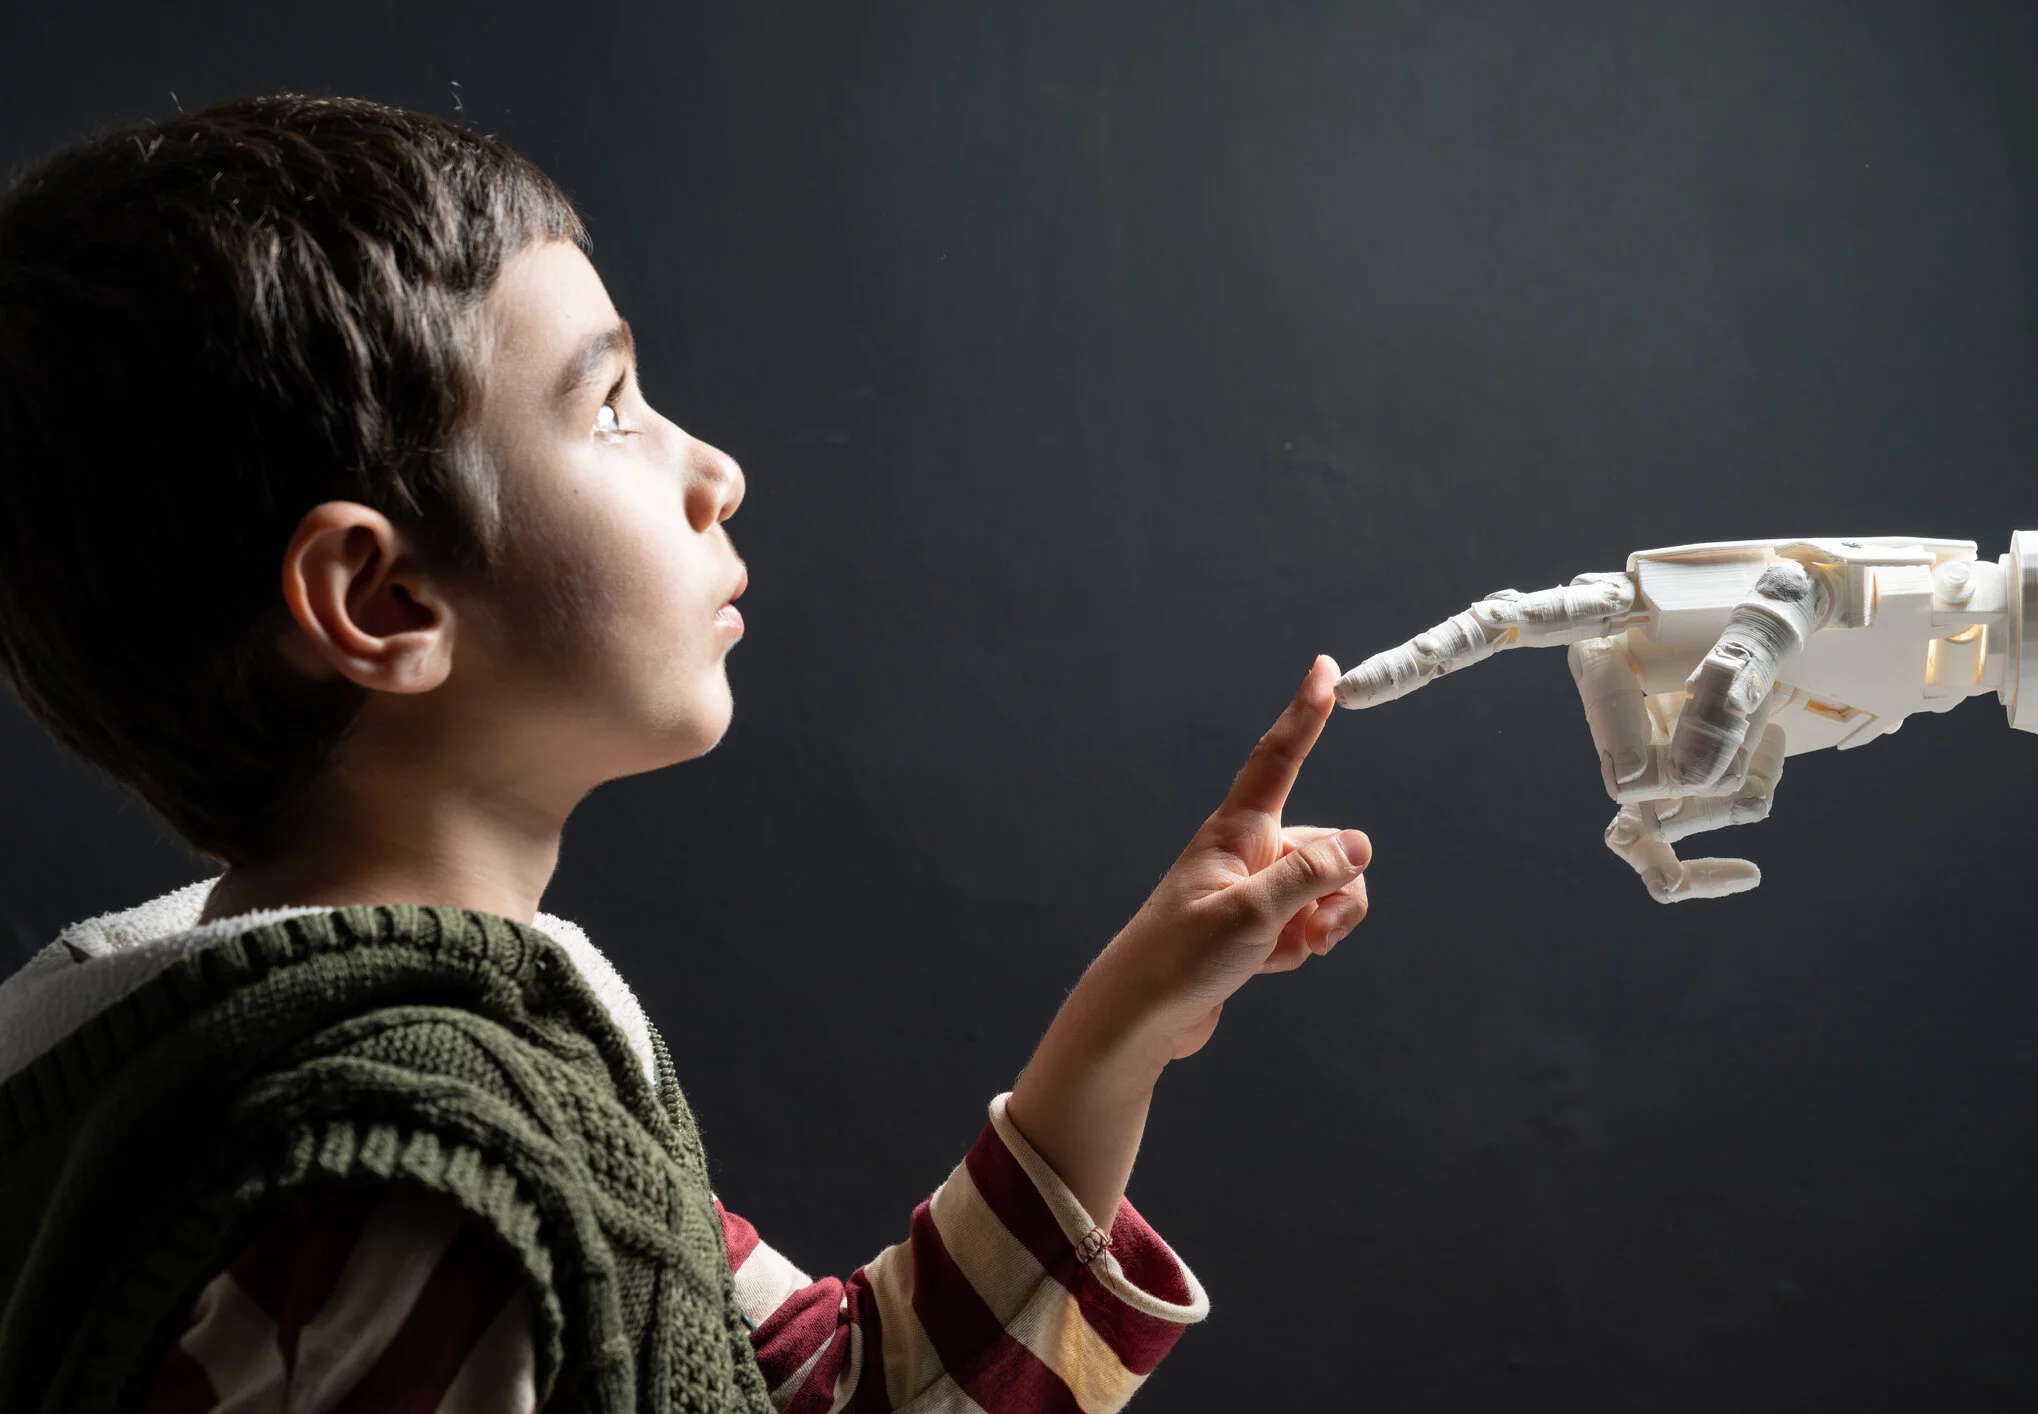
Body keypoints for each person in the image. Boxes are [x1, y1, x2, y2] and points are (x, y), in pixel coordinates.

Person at [0, 93, 1373, 1413]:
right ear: (382, 602)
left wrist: (1123, 1030)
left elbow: (828, 1392)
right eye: (608, 406)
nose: (714, 468)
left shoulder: (402, 1065)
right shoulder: (416, 1192)